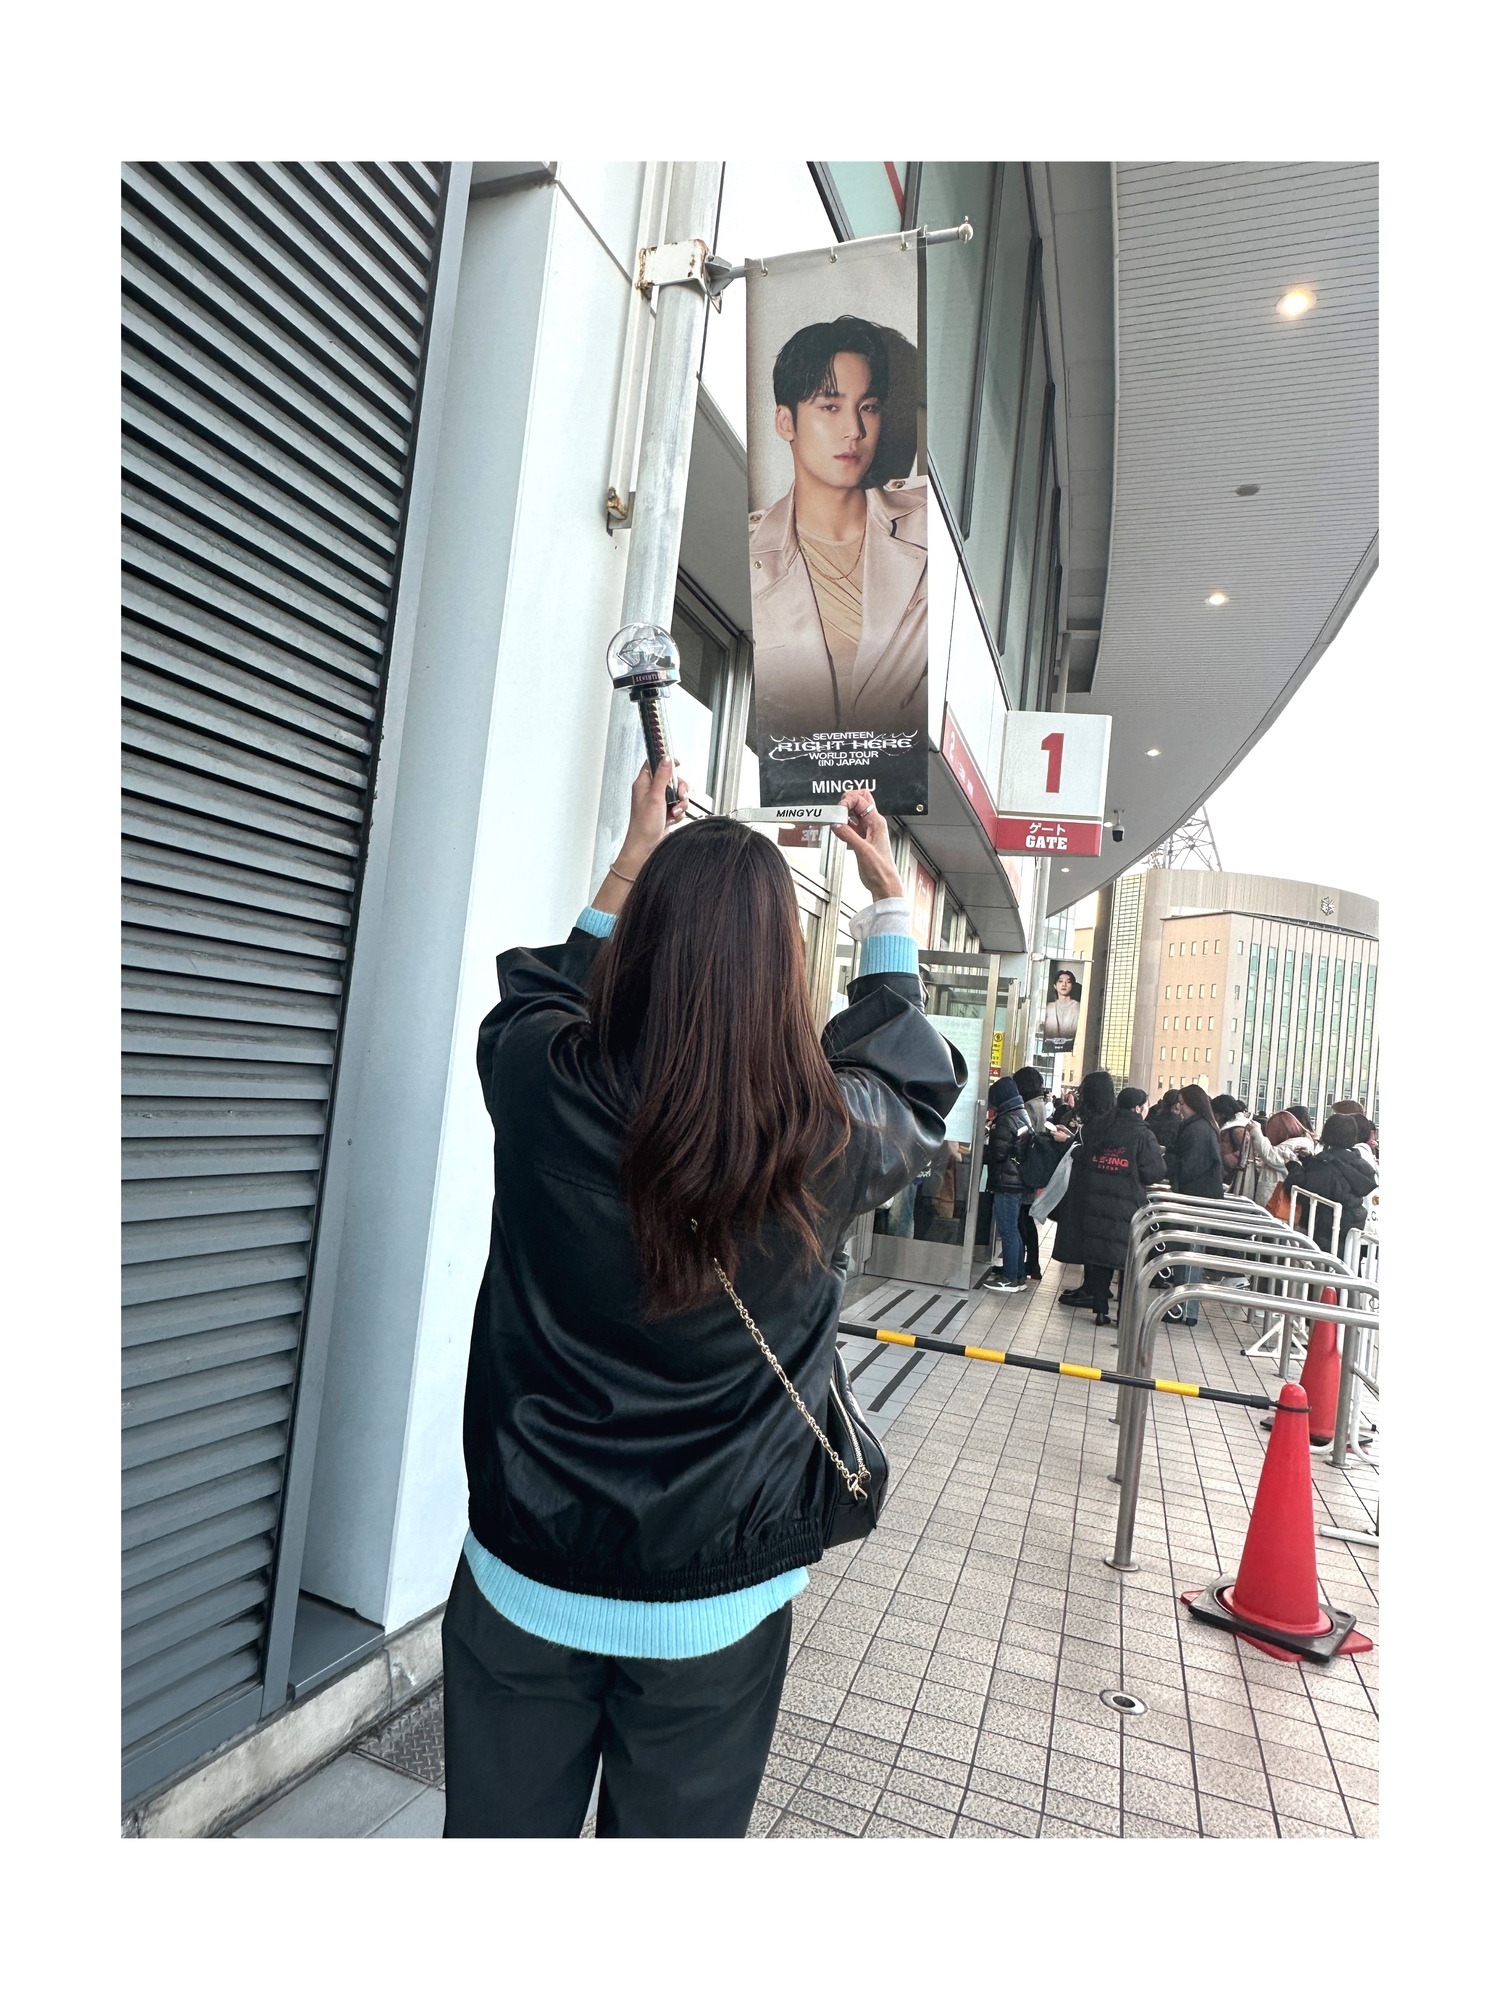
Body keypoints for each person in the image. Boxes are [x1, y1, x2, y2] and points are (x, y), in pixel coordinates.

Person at [443, 774, 961, 1838]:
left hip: (525, 1570)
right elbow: (912, 1084)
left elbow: (536, 994)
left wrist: (632, 857)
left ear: (640, 949)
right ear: (782, 970)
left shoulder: (542, 1084)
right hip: (717, 1602)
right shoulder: (827, 1137)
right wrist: (887, 906)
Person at [748, 317, 926, 739]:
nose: (855, 430)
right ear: (785, 422)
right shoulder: (750, 551)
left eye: (868, 407)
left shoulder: (927, 525)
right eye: (830, 407)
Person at [1066, 1073, 1169, 1325]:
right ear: (1138, 1108)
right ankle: (1123, 1314)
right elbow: (1155, 1171)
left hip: (1096, 1201)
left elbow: (1084, 1155)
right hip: (1128, 1205)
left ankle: (1101, 1309)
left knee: (1101, 1257)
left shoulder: (1100, 1127)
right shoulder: (1143, 1134)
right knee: (1126, 1260)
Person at [1163, 1084, 1224, 1325]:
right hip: (1198, 1198)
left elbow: (1189, 1167)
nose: (1179, 1108)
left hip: (1196, 1200)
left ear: (1194, 1105)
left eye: (1182, 1103)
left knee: (1189, 1254)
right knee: (1188, 1253)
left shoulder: (1197, 1130)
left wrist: (1167, 1158)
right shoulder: (1202, 1126)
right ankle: (1184, 1308)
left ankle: (1186, 1310)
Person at [1282, 1114, 1378, 1252]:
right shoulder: (1358, 1162)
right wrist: (1308, 1159)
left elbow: (1303, 1183)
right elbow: (1331, 1180)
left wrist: (1293, 1165)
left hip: (1326, 1226)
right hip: (1351, 1224)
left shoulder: (1326, 1162)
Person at [980, 1075, 1032, 1291]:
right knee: (1014, 1228)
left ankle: (1009, 1278)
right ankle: (1018, 1275)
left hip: (1006, 1182)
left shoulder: (1005, 1119)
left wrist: (985, 1142)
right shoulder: (1021, 1114)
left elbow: (999, 1154)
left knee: (1008, 1229)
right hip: (1017, 1181)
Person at [1041, 968, 1082, 1048]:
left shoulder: (1079, 1007)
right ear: (1055, 986)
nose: (1064, 984)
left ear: (1072, 986)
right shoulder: (1048, 1008)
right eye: (1060, 981)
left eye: (1068, 982)